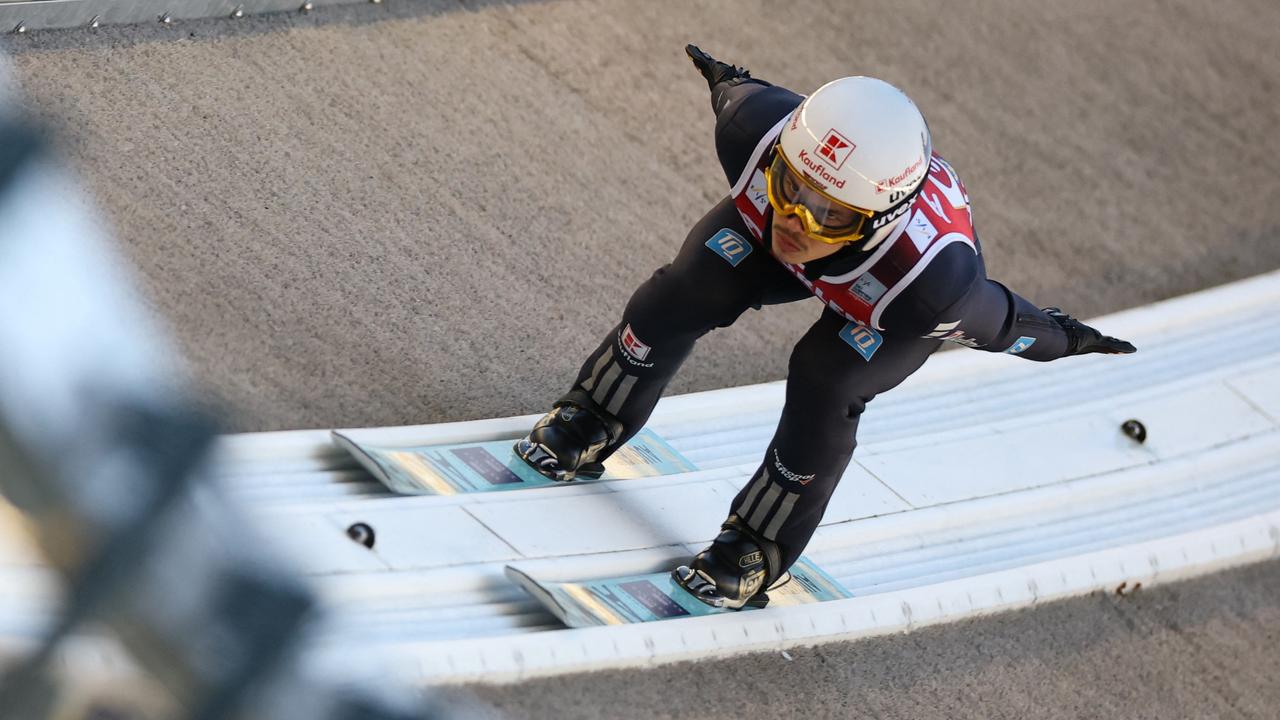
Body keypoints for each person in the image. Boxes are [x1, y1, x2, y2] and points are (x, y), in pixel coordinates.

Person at [515, 46, 1136, 610]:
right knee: (684, 289)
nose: (797, 221)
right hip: (845, 265)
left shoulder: (930, 286)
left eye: (830, 215)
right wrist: (724, 76)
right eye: (791, 185)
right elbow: (738, 89)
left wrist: (1070, 338)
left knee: (825, 381)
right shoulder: (753, 131)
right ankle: (595, 415)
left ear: (880, 218)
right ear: (781, 155)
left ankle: (757, 545)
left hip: (880, 302)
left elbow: (1009, 326)